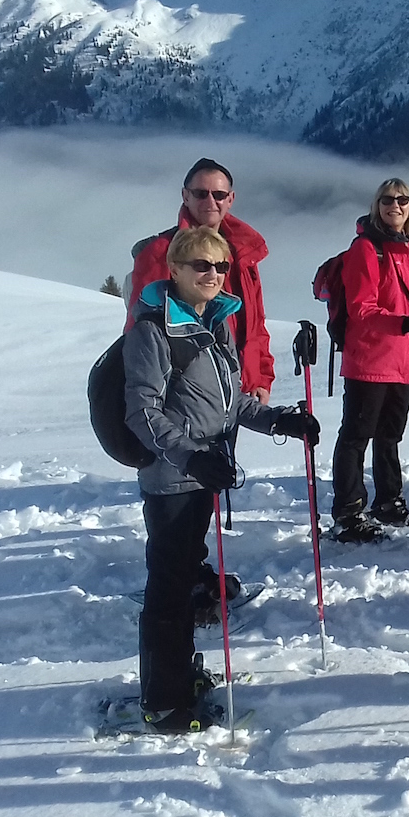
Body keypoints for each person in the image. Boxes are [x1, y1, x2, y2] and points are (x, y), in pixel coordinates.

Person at [123, 226, 317, 733]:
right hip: (172, 479)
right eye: (201, 265)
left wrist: (280, 421)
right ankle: (164, 703)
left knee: (184, 578)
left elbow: (231, 405)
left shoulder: (213, 325)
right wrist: (191, 459)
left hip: (201, 474)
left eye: (221, 266)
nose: (213, 274)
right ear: (175, 270)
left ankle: (180, 674)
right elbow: (142, 412)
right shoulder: (153, 331)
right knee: (168, 587)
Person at [332, 178, 409, 542]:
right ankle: (348, 512)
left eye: (403, 200)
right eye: (387, 200)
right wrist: (404, 323)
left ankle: (388, 500)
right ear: (377, 205)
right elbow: (361, 307)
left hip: (402, 361)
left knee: (389, 436)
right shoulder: (366, 249)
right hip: (368, 360)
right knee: (356, 436)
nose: (395, 206)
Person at [125, 157, 275, 402]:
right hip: (184, 397)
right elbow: (140, 332)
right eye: (200, 194)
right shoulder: (161, 253)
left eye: (219, 195)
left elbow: (256, 324)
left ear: (230, 199)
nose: (210, 202)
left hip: (238, 392)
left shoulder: (243, 253)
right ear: (185, 196)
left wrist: (260, 378)